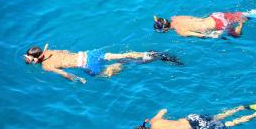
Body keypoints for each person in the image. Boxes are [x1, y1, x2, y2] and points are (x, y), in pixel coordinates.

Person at [23, 44, 182, 83]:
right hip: (89, 54)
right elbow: (65, 52)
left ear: (36, 59)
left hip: (87, 66)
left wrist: (77, 80)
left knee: (109, 72)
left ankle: (134, 62)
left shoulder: (46, 66)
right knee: (120, 54)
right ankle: (147, 54)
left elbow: (64, 73)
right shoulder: (52, 50)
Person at [153, 11, 250, 38]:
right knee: (246, 14)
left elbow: (202, 35)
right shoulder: (175, 17)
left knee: (237, 35)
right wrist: (157, 20)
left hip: (218, 25)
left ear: (165, 30)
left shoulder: (180, 31)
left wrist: (214, 35)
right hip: (215, 15)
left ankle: (241, 24)